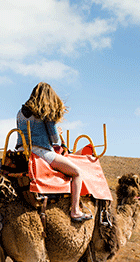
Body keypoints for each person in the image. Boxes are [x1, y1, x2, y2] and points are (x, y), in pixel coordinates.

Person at [16, 82, 92, 222]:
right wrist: (59, 132)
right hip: (41, 152)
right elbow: (55, 139)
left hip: (21, 151)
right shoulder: (44, 111)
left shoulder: (20, 113)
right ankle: (75, 211)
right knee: (77, 172)